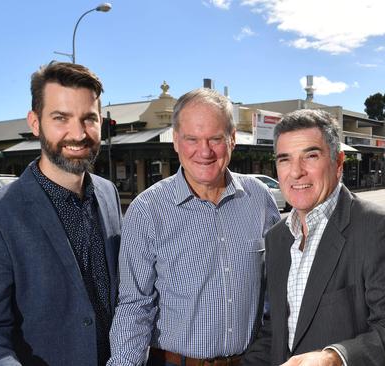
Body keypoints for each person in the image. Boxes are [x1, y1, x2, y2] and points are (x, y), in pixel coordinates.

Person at [0, 62, 122, 366]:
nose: (78, 133)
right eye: (61, 118)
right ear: (35, 123)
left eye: (89, 118)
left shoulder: (108, 194)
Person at [108, 88, 281, 366]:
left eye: (215, 139)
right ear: (176, 141)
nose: (205, 152)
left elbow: (276, 287)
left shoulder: (259, 198)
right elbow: (135, 306)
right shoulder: (147, 210)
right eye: (192, 139)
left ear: (232, 139)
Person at [243, 109, 385, 366]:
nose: (296, 172)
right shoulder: (277, 239)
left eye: (311, 156)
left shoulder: (380, 229)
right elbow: (275, 331)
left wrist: (335, 358)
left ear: (338, 163)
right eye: (285, 160)